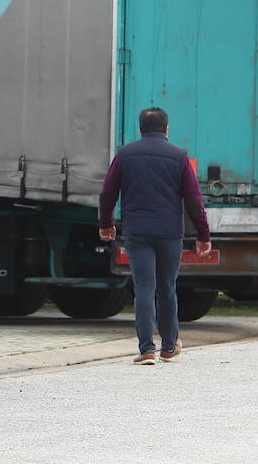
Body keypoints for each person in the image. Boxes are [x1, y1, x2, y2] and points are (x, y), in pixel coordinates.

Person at [98, 106, 211, 365]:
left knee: (144, 289)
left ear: (141, 129)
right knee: (167, 288)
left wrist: (106, 224)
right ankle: (170, 346)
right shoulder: (179, 156)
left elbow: (107, 193)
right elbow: (193, 199)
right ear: (167, 128)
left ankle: (146, 349)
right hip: (169, 233)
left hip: (137, 232)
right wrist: (203, 234)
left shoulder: (125, 155)